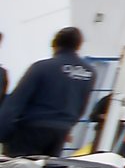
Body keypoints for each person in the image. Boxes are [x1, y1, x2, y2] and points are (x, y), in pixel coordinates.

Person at [0, 26, 100, 159]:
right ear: (78, 46)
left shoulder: (42, 67)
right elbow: (82, 106)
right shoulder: (89, 72)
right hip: (60, 133)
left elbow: (16, 102)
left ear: (54, 44)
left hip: (31, 130)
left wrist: (3, 132)